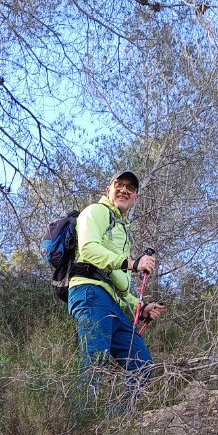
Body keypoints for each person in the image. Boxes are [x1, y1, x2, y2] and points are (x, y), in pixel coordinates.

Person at [67, 170, 163, 400]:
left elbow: (115, 283)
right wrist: (131, 263)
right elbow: (88, 249)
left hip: (110, 301)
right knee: (95, 362)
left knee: (141, 364)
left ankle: (117, 418)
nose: (124, 190)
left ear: (135, 197)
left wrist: (141, 307)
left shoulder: (122, 230)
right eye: (119, 185)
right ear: (108, 190)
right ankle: (80, 419)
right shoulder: (96, 211)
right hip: (90, 292)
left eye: (130, 188)